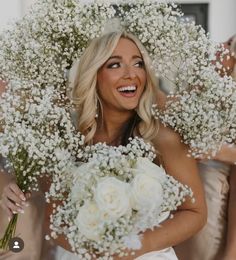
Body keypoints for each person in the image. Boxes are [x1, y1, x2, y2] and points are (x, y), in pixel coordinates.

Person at [0, 31, 207, 259]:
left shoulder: (161, 138)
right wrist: (93, 252)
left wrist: (137, 245)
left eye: (138, 64)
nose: (131, 74)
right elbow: (53, 220)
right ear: (94, 75)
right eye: (115, 65)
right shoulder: (69, 142)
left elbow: (195, 212)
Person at [175, 34, 236, 260]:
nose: (224, 48)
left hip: (213, 192)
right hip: (188, 189)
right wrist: (216, 72)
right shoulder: (214, 84)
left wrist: (218, 151)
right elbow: (182, 116)